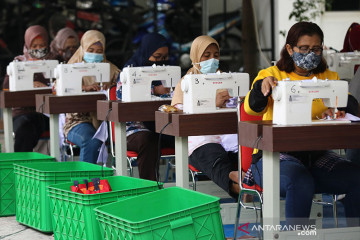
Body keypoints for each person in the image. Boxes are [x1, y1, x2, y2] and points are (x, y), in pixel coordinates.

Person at [239, 21, 360, 227]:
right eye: (304, 48)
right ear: (289, 49)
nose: (310, 53)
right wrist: (262, 88)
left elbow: (351, 106)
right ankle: (299, 236)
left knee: (356, 178)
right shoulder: (272, 75)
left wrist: (341, 108)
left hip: (315, 156)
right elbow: (251, 109)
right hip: (272, 158)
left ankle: (353, 233)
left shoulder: (328, 77)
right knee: (300, 180)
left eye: (316, 49)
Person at [171, 35, 240, 198]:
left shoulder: (227, 80)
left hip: (227, 134)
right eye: (206, 55)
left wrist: (237, 100)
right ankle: (234, 182)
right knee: (214, 155)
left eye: (216, 55)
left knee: (242, 153)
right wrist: (211, 103)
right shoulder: (186, 82)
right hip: (200, 137)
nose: (212, 59)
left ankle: (241, 184)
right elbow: (180, 112)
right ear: (195, 56)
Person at [116, 32, 174, 181]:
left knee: (186, 134)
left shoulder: (167, 70)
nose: (161, 61)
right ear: (147, 52)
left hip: (160, 124)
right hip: (133, 128)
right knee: (148, 140)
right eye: (157, 57)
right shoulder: (130, 69)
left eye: (164, 57)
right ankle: (150, 187)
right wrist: (153, 90)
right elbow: (121, 94)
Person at [63, 30, 120, 164]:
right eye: (91, 49)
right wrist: (82, 88)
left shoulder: (112, 71)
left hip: (106, 121)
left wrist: (111, 87)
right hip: (77, 121)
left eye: (99, 51)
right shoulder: (70, 68)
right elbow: (59, 89)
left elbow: (122, 90)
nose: (95, 54)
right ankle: (85, 183)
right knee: (91, 140)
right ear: (83, 48)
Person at [2, 25, 57, 152]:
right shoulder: (18, 63)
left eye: (42, 45)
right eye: (34, 46)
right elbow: (6, 90)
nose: (38, 49)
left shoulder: (54, 61)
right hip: (23, 113)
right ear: (27, 45)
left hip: (48, 112)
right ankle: (22, 165)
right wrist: (31, 84)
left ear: (47, 44)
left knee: (62, 126)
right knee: (25, 128)